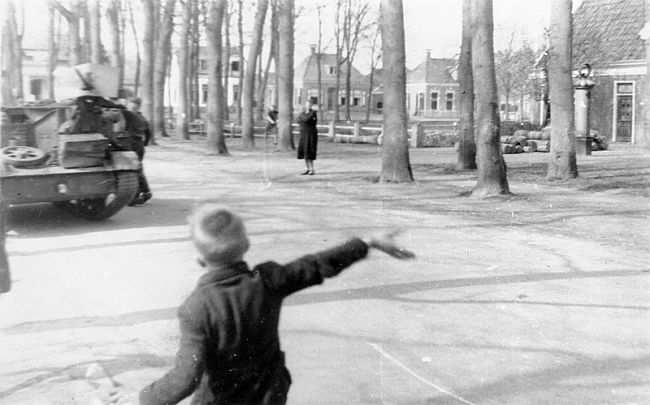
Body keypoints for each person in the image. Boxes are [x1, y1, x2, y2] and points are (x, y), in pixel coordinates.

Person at [139, 204, 414, 405]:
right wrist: (367, 242)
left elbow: (186, 377)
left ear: (199, 260)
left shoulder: (195, 307)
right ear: (246, 245)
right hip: (269, 395)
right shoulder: (267, 280)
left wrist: (146, 398)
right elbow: (316, 264)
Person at [123, 97, 153, 206]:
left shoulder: (130, 115)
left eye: (131, 104)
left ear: (133, 105)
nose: (130, 106)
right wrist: (144, 144)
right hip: (139, 145)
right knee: (138, 169)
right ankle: (146, 191)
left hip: (131, 144)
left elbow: (121, 110)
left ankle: (134, 197)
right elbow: (149, 133)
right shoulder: (143, 118)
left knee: (132, 171)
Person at [296, 101, 318, 175]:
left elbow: (306, 119)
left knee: (310, 150)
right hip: (303, 134)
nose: (307, 106)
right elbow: (298, 120)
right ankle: (307, 168)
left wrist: (303, 119)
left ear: (311, 106)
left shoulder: (313, 113)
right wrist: (303, 118)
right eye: (306, 104)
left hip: (311, 134)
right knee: (304, 151)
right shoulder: (303, 113)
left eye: (309, 105)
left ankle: (312, 169)